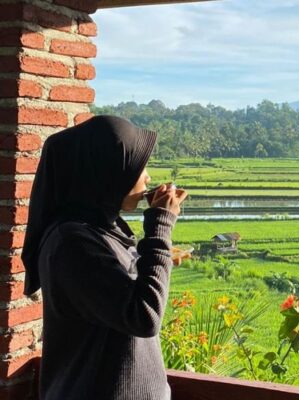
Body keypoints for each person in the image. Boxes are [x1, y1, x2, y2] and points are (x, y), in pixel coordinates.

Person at [21, 115, 188, 399]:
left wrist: (157, 256)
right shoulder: (72, 244)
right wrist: (160, 227)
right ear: (108, 172)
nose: (147, 176)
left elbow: (115, 287)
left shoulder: (100, 230)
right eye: (139, 165)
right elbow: (143, 316)